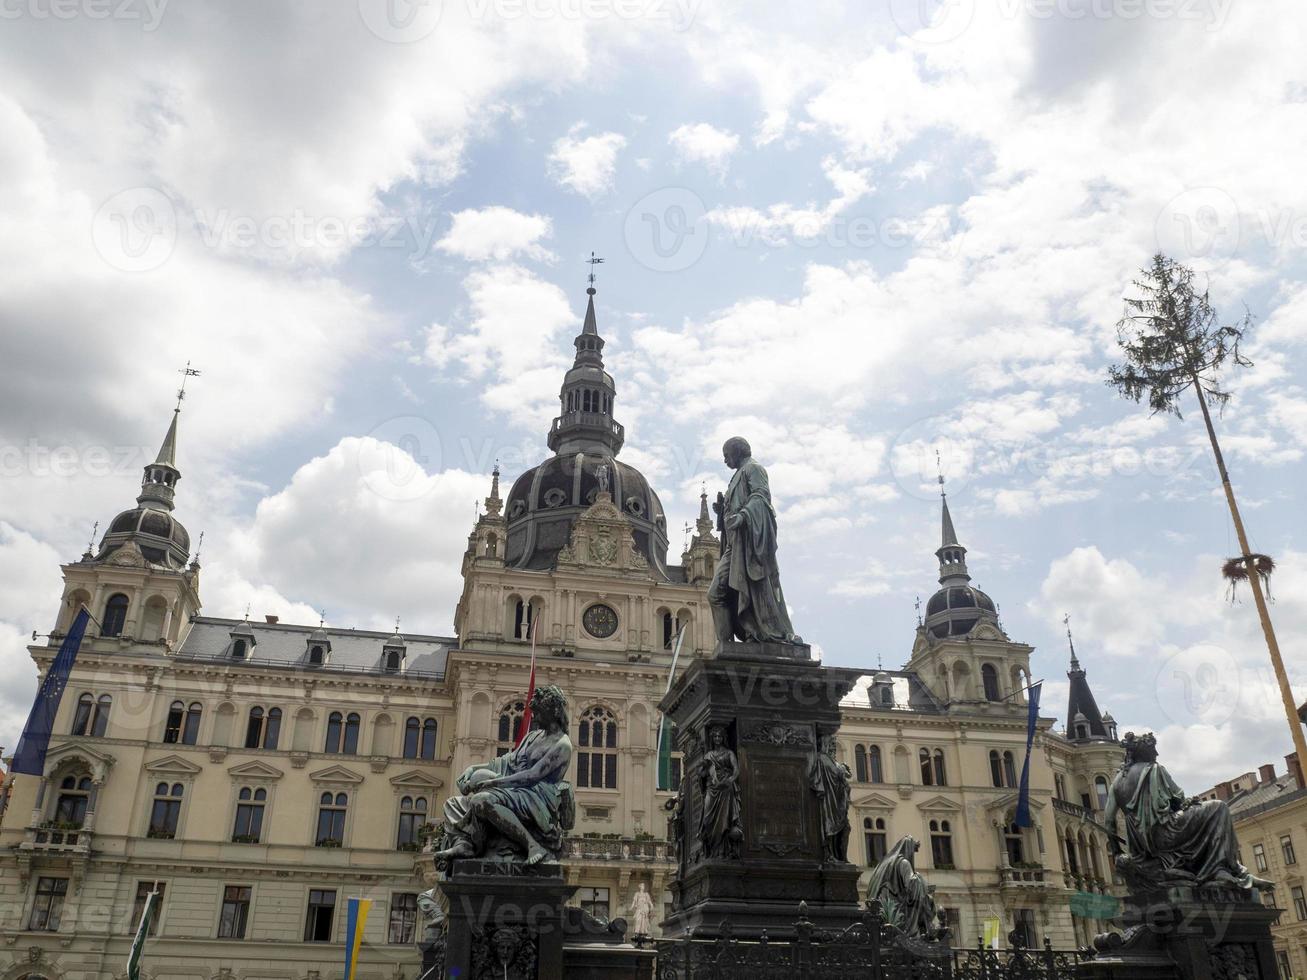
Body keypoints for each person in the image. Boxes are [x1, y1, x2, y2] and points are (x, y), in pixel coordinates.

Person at [1104, 731, 1271, 892]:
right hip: (1167, 832)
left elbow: (1108, 821)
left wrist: (1117, 851)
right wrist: (1191, 803)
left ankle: (1224, 870)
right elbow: (1180, 800)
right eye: (1152, 749)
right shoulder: (1154, 769)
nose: (1156, 753)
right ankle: (1226, 869)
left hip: (1144, 844)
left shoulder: (1116, 783)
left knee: (1210, 814)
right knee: (1219, 808)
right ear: (1144, 752)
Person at [433, 685, 574, 868]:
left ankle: (533, 845)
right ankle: (466, 845)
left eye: (538, 712)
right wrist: (473, 768)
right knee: (453, 804)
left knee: (481, 800)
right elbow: (507, 762)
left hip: (537, 797)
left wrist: (493, 783)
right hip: (517, 790)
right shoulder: (533, 737)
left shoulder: (563, 745)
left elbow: (532, 776)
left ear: (553, 711)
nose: (534, 716)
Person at [708, 437, 799, 645]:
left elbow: (761, 497)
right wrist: (722, 513)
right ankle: (726, 647)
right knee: (717, 594)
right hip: (734, 544)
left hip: (746, 543)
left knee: (720, 592)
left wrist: (743, 516)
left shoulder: (753, 469)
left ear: (737, 451)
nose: (725, 461)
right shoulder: (737, 476)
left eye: (726, 455)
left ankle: (750, 634)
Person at [867, 835, 937, 937]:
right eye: (913, 851)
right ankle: (918, 933)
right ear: (908, 850)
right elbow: (911, 884)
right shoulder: (904, 863)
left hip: (881, 906)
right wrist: (920, 880)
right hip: (895, 908)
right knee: (927, 900)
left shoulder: (886, 863)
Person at [699, 725, 743, 859]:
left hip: (725, 789)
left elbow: (736, 770)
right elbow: (702, 773)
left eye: (720, 736)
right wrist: (702, 772)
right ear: (712, 739)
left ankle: (722, 850)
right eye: (715, 736)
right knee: (707, 819)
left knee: (724, 820)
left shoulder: (729, 753)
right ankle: (712, 848)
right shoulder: (708, 755)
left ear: (723, 738)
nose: (717, 739)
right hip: (711, 788)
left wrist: (730, 780)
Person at [809, 734, 852, 862]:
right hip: (830, 802)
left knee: (846, 829)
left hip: (837, 803)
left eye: (834, 744)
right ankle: (829, 854)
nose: (832, 747)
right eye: (830, 744)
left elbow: (843, 781)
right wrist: (842, 771)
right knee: (830, 829)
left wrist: (843, 771)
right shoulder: (822, 759)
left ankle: (841, 857)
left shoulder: (833, 762)